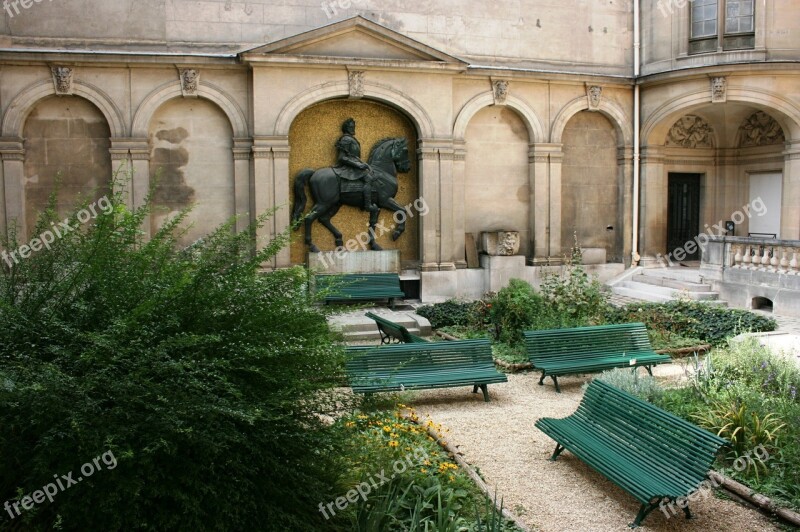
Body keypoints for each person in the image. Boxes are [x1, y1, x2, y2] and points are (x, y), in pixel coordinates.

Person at [333, 118, 378, 212]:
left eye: (354, 126)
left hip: (354, 165)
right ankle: (367, 205)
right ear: (346, 128)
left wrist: (364, 164)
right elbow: (341, 158)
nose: (353, 128)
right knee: (368, 179)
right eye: (351, 127)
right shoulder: (346, 139)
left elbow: (354, 156)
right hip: (348, 167)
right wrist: (359, 165)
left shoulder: (351, 139)